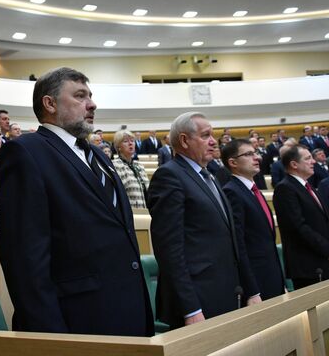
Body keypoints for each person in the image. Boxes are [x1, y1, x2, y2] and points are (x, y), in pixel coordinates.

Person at [0, 67, 152, 336]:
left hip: (128, 311)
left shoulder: (99, 156)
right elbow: (25, 259)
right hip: (77, 321)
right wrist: (51, 336)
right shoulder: (25, 151)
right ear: (50, 103)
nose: (92, 104)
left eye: (90, 96)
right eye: (80, 96)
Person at [147, 112, 259, 329]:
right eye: (205, 135)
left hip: (227, 291)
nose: (212, 141)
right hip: (199, 300)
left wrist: (250, 289)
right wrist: (190, 308)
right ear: (184, 140)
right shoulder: (168, 176)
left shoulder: (211, 176)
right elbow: (169, 249)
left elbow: (231, 238)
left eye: (213, 135)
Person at [272, 145, 329, 290]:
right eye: (308, 158)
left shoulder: (308, 186)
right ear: (294, 164)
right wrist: (328, 249)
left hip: (325, 258)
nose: (314, 162)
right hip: (308, 265)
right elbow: (298, 226)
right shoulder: (285, 188)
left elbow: (325, 220)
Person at [221, 139, 285, 300]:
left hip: (272, 277)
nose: (257, 158)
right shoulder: (232, 192)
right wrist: (252, 291)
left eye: (255, 153)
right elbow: (239, 245)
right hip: (257, 283)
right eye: (249, 154)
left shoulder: (253, 190)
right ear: (233, 162)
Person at [112, 129, 150, 209]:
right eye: (125, 141)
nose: (130, 143)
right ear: (118, 147)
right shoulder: (115, 165)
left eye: (132, 141)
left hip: (145, 211)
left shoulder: (139, 165)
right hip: (129, 213)